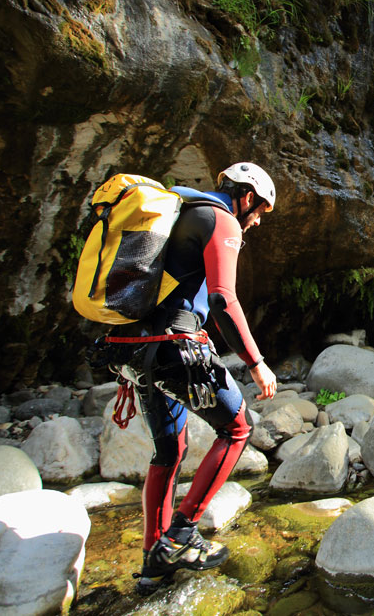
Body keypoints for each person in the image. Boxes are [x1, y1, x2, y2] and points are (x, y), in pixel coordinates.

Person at [117, 162, 279, 595]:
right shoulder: (221, 220)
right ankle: (181, 534)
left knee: (168, 451)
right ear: (246, 197)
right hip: (174, 347)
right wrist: (256, 362)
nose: (258, 221)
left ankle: (154, 564)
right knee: (238, 428)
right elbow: (223, 299)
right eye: (260, 211)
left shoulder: (183, 213)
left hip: (135, 348)